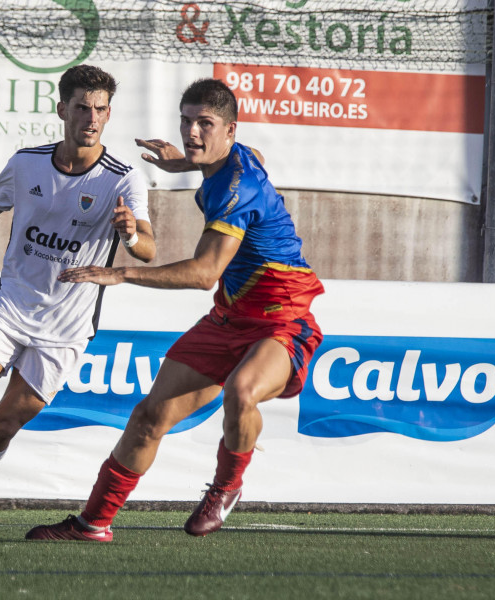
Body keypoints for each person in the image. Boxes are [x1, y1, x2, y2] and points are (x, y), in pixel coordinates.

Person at [26, 78, 324, 541]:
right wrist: (180, 161)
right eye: (187, 122)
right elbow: (255, 158)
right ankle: (93, 523)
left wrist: (121, 273)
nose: (193, 132)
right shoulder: (238, 156)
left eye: (205, 124)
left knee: (242, 391)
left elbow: (205, 272)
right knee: (148, 418)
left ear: (229, 129)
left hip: (281, 318)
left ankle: (226, 487)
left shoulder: (234, 191)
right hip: (230, 316)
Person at [0, 64, 156, 524]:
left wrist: (132, 237)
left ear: (109, 114)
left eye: (100, 110)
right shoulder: (27, 163)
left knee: (5, 426)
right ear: (62, 109)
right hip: (11, 307)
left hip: (66, 330)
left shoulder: (123, 178)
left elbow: (149, 248)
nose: (91, 118)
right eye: (82, 108)